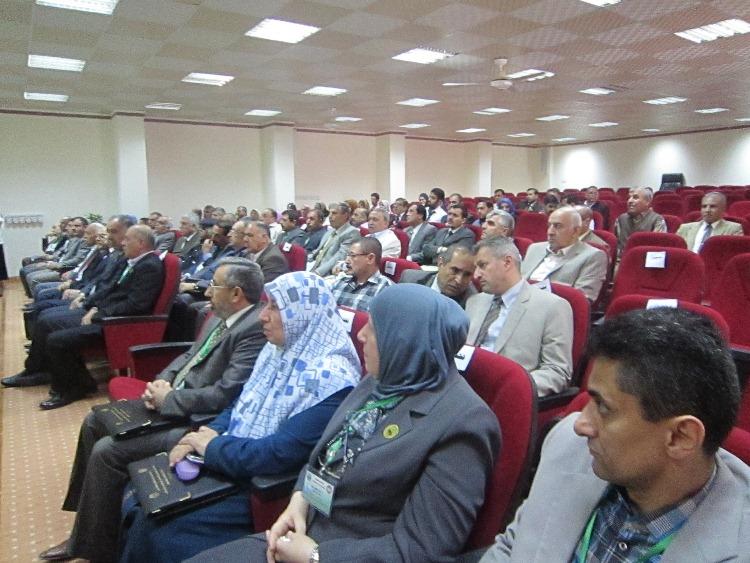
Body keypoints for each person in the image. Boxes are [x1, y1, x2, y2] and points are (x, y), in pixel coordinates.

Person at [187, 283, 501, 563]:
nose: (360, 335)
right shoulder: (382, 379)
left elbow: (420, 550)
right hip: (302, 532)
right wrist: (299, 500)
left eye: (374, 329)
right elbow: (328, 455)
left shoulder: (464, 422)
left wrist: (316, 557)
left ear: (405, 342)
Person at [119, 272, 361, 563]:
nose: (262, 316)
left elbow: (279, 453)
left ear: (303, 315)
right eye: (266, 305)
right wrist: (208, 431)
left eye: (274, 308)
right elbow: (242, 402)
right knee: (139, 494)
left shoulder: (333, 378)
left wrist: (209, 448)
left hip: (261, 486)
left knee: (155, 525)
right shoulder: (277, 349)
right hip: (232, 456)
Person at [38, 258, 267, 563]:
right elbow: (189, 354)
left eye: (215, 285)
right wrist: (162, 380)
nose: (207, 291)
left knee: (107, 451)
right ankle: (88, 524)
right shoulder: (219, 317)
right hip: (174, 399)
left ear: (236, 293)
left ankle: (94, 547)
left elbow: (225, 394)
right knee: (95, 420)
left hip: (197, 419)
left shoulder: (254, 329)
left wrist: (169, 399)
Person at [479, 308, 749, 562]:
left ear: (680, 437)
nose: (580, 424)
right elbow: (511, 547)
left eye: (603, 407)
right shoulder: (567, 446)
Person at [41, 225, 165, 409]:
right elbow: (114, 293)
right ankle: (80, 383)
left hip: (121, 325)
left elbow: (136, 305)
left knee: (57, 340)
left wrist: (99, 313)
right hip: (110, 317)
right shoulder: (136, 262)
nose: (123, 243)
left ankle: (71, 389)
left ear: (141, 243)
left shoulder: (149, 266)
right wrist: (95, 307)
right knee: (55, 331)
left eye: (127, 239)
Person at [466, 237, 573, 396]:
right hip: (463, 388)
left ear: (507, 262)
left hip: (504, 395)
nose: (476, 275)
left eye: (482, 265)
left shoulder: (552, 307)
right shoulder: (475, 301)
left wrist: (512, 387)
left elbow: (557, 372)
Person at [521, 207, 608, 303]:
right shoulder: (535, 248)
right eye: (549, 226)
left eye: (558, 226)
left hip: (550, 307)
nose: (550, 232)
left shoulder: (593, 256)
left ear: (575, 231)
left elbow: (582, 301)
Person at [400, 244, 477, 307]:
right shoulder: (410, 280)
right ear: (440, 263)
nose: (459, 280)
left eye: (467, 274)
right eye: (455, 270)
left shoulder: (472, 302)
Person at [329, 238, 392, 312]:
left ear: (370, 258)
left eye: (353, 256)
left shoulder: (386, 290)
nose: (346, 261)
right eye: (348, 255)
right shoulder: (340, 281)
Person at [677, 191, 743, 252]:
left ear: (723, 209)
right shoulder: (685, 228)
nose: (707, 210)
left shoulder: (734, 229)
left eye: (712, 206)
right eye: (704, 206)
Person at [308, 203, 361, 277]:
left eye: (334, 213)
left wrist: (317, 273)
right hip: (312, 265)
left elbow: (340, 257)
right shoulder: (330, 231)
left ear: (345, 215)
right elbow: (318, 251)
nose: (330, 216)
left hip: (328, 273)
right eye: (329, 213)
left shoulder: (352, 232)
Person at [614, 187, 666, 255]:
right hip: (623, 259)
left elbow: (657, 249)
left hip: (645, 258)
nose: (630, 201)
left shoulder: (657, 219)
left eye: (635, 198)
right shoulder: (621, 218)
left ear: (647, 202)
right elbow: (617, 246)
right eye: (629, 198)